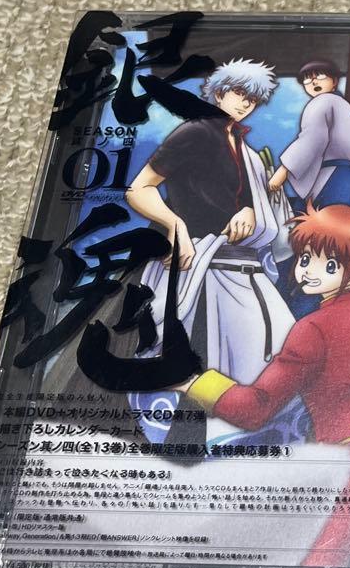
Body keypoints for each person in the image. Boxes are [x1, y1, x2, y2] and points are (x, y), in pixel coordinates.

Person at [178, 204, 350, 568]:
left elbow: (255, 408)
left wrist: (194, 382)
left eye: (329, 265)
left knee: (320, 566)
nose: (308, 272)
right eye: (304, 259)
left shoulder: (312, 329)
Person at [125, 59, 295, 443]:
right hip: (199, 263)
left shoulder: (243, 147)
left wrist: (250, 211)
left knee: (268, 354)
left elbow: (242, 204)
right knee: (199, 357)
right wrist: (175, 227)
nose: (245, 103)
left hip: (240, 266)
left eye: (253, 98)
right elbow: (139, 189)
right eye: (239, 93)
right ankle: (183, 447)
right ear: (218, 92)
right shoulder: (196, 132)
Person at [267, 60, 350, 209]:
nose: (314, 81)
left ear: (335, 81)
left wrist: (282, 172)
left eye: (320, 76)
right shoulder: (341, 104)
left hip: (336, 181)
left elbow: (312, 139)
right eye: (307, 79)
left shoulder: (323, 101)